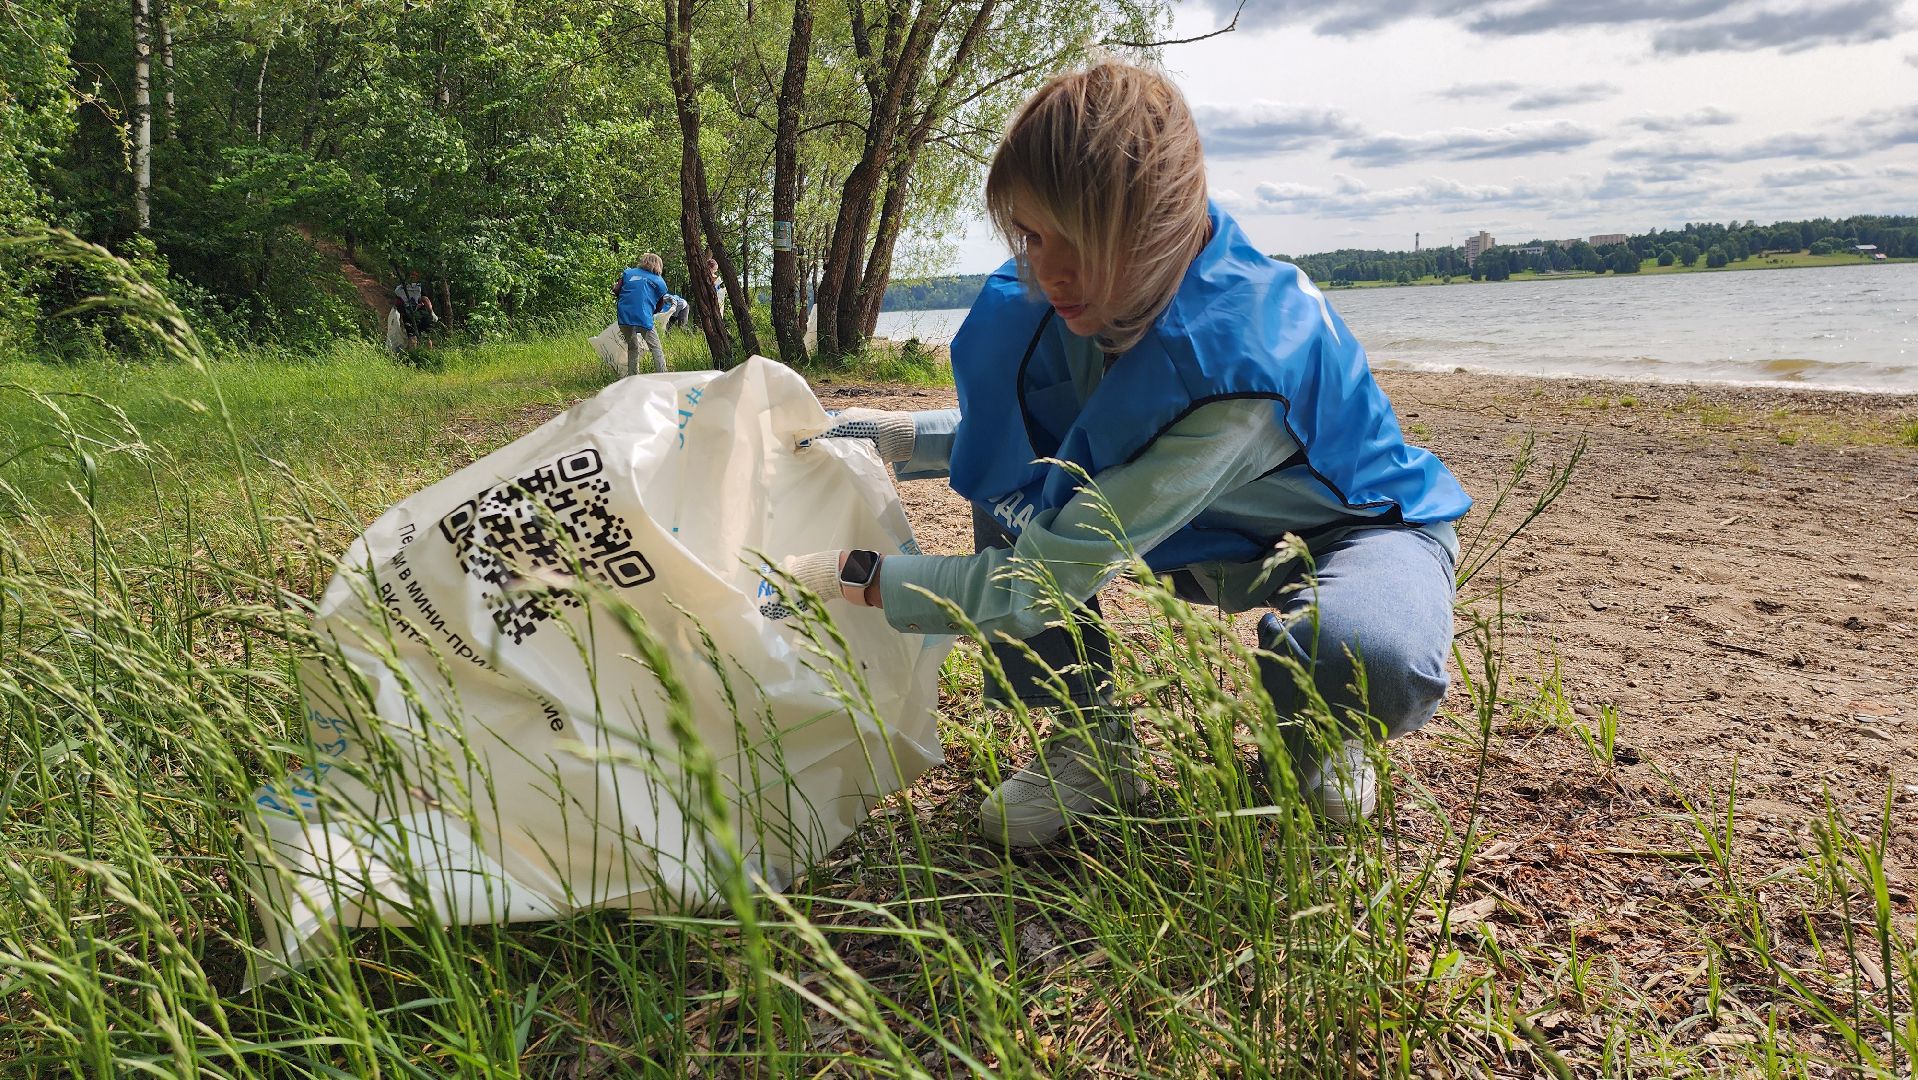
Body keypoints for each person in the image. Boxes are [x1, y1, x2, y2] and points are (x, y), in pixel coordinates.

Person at [782, 59, 1470, 848]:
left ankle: (1319, 733)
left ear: (1162, 225)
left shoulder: (1233, 372)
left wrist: (851, 577)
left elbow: (1036, 586)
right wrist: (900, 436)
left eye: (1080, 238)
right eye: (1033, 235)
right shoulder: (1092, 290)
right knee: (1003, 487)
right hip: (1191, 533)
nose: (1049, 271)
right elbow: (1038, 437)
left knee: (1367, 655)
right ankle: (1090, 744)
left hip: (1351, 533)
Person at [613, 254, 670, 375]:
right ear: (658, 265)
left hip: (624, 314)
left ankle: (633, 376)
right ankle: (663, 374)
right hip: (643, 316)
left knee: (632, 346)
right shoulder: (659, 281)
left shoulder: (628, 273)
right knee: (655, 347)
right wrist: (651, 311)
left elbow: (616, 290)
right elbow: (660, 305)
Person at [393, 271, 437, 345]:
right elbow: (425, 299)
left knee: (412, 336)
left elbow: (398, 302)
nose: (413, 277)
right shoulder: (420, 287)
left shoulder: (399, 289)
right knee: (425, 337)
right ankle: (427, 351)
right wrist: (432, 313)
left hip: (409, 314)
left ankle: (414, 351)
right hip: (420, 314)